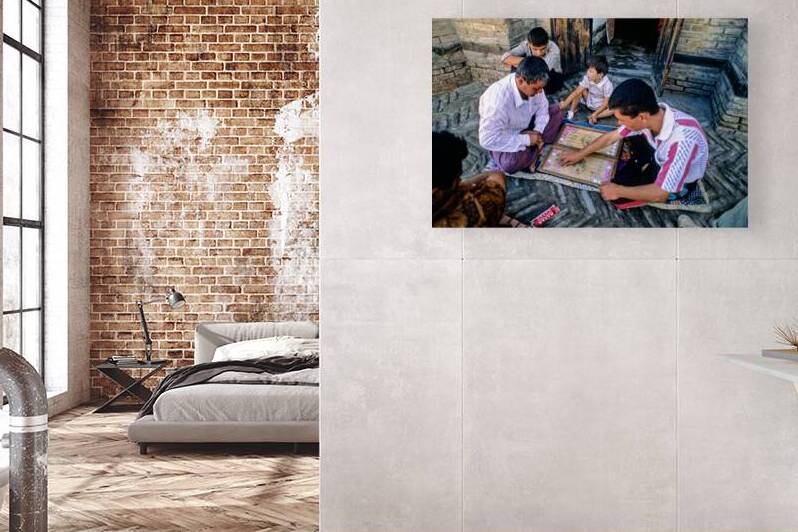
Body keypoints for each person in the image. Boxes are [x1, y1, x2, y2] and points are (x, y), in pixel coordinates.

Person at [559, 78, 709, 205]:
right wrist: (580, 154)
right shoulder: (653, 116)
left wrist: (618, 191)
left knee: (617, 196)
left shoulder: (682, 141)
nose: (618, 123)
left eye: (621, 119)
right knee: (627, 140)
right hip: (658, 152)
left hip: (682, 183)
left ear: (642, 117)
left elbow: (661, 193)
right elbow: (611, 137)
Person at [478, 56, 564, 174]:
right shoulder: (497, 102)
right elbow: (487, 140)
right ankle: (535, 151)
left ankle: (533, 150)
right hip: (506, 134)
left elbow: (542, 110)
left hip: (527, 125)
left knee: (557, 115)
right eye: (536, 89)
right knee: (510, 164)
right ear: (520, 81)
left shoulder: (536, 87)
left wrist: (537, 132)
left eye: (541, 88)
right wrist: (527, 139)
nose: (540, 92)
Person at [432, 131, 507, 227]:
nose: (460, 181)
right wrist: (464, 186)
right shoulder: (466, 217)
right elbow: (497, 176)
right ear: (436, 192)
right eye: (458, 177)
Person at [501, 27, 564, 93]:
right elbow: (504, 58)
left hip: (552, 78)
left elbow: (540, 70)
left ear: (547, 43)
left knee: (522, 65)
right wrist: (525, 62)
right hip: (533, 75)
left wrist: (523, 63)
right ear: (529, 44)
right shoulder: (526, 45)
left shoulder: (554, 49)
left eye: (542, 49)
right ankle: (520, 89)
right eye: (535, 49)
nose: (539, 53)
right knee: (517, 61)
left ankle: (529, 90)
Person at [559, 55, 613, 124]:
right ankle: (571, 111)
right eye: (587, 70)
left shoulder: (607, 84)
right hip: (589, 101)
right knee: (579, 91)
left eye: (591, 71)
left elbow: (605, 104)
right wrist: (565, 103)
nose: (587, 73)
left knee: (613, 109)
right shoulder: (587, 78)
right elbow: (576, 92)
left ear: (600, 75)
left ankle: (594, 116)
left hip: (600, 107)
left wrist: (596, 113)